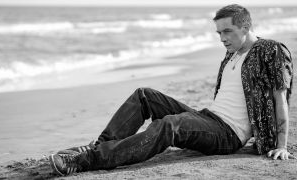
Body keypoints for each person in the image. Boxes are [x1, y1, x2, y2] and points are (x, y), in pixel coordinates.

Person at [49, 4, 295, 176]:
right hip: (209, 118)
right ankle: (100, 147)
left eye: (227, 31)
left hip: (228, 134)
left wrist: (281, 145)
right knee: (144, 95)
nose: (222, 38)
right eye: (219, 32)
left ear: (245, 27)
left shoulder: (269, 50)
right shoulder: (231, 53)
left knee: (170, 124)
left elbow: (280, 98)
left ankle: (88, 160)